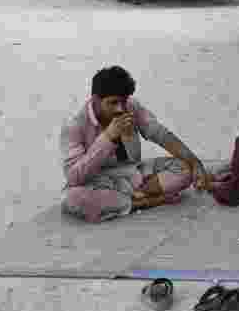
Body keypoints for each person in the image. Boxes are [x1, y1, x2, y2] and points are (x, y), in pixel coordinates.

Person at [60, 66, 209, 223]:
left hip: (134, 175)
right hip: (99, 183)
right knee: (72, 199)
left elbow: (160, 134)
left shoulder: (131, 106)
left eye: (123, 102)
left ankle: (127, 200)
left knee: (185, 168)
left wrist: (195, 163)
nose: (120, 109)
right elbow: (74, 177)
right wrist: (108, 137)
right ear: (95, 99)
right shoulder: (74, 126)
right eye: (113, 103)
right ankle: (149, 201)